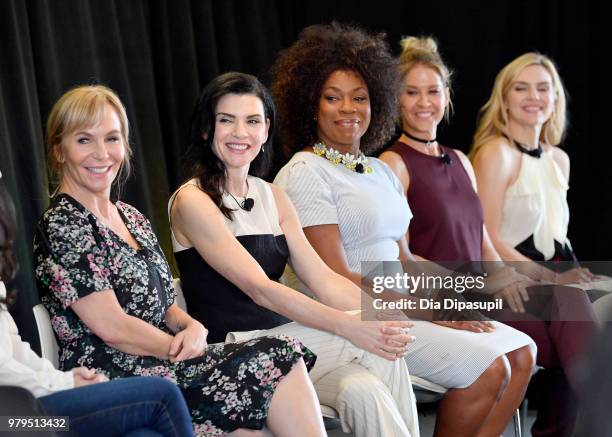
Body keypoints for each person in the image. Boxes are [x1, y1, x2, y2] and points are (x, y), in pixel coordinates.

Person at [271, 23, 536, 437]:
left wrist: (458, 296)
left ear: (377, 102)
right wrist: (432, 310)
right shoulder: (306, 172)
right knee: (490, 367)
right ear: (310, 104)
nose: (348, 109)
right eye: (332, 98)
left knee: (523, 352)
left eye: (360, 97)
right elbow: (335, 278)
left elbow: (406, 259)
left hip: (404, 308)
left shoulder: (377, 170)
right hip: (356, 320)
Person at [32, 85, 325, 437]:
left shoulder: (132, 218)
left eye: (111, 139)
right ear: (58, 150)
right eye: (83, 140)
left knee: (262, 403)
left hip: (163, 361)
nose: (101, 153)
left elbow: (167, 306)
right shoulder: (64, 223)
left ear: (124, 146)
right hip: (113, 376)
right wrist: (181, 348)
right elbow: (112, 327)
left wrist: (193, 328)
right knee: (278, 356)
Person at [169, 71, 418, 437]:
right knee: (375, 344)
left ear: (266, 130)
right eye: (227, 120)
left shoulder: (273, 195)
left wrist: (387, 312)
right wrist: (355, 324)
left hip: (286, 345)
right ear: (207, 129)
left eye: (252, 121)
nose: (241, 133)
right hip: (232, 350)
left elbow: (324, 279)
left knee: (368, 392)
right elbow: (260, 289)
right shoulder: (192, 200)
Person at [380, 38, 596, 437]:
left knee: (570, 300)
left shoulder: (460, 159)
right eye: (411, 92)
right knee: (565, 341)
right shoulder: (393, 163)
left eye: (432, 91)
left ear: (447, 96)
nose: (423, 102)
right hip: (445, 299)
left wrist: (507, 276)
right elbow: (400, 256)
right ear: (395, 100)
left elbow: (482, 241)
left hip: (484, 289)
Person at [0, 171, 194, 437]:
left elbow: (14, 353)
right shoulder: (61, 222)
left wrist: (66, 381)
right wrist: (65, 381)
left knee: (143, 434)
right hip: (16, 424)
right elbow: (3, 374)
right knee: (161, 396)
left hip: (21, 412)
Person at [469, 52, 594, 284]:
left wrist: (574, 277)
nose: (533, 96)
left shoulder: (559, 159)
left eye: (543, 88)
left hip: (562, 271)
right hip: (516, 280)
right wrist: (551, 279)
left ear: (555, 99)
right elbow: (486, 238)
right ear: (504, 99)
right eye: (521, 88)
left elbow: (555, 234)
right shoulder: (496, 154)